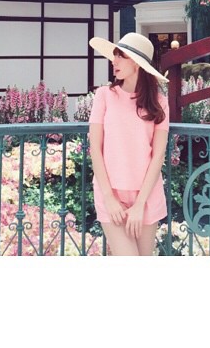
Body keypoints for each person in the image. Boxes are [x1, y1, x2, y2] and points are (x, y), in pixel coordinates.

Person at [88, 32, 170, 256]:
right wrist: (109, 197)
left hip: (146, 196)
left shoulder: (160, 103)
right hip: (110, 193)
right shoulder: (104, 95)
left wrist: (140, 204)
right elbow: (95, 148)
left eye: (120, 56)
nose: (114, 61)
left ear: (137, 63)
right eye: (114, 55)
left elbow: (158, 155)